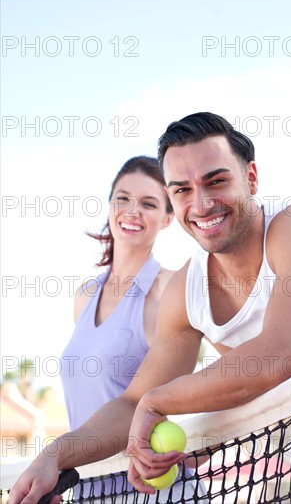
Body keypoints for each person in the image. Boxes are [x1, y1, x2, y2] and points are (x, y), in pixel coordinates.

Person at [10, 113, 291, 504]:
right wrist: (56, 454)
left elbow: (285, 354)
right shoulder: (185, 290)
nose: (202, 204)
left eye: (216, 181)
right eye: (182, 190)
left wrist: (157, 402)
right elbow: (130, 402)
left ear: (251, 178)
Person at [59, 155, 175, 497]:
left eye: (149, 203)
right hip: (86, 487)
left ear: (168, 218)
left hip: (153, 489)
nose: (131, 210)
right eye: (123, 198)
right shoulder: (84, 295)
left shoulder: (170, 289)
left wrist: (210, 435)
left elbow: (231, 363)